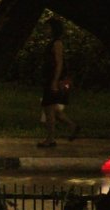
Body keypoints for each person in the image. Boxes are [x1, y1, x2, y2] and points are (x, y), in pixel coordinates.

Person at [38, 18, 80, 148]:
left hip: (54, 79)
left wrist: (55, 81)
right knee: (53, 110)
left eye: (48, 28)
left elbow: (59, 63)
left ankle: (50, 139)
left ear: (54, 29)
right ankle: (73, 126)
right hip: (50, 78)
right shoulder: (52, 43)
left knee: (48, 108)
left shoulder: (57, 43)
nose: (45, 30)